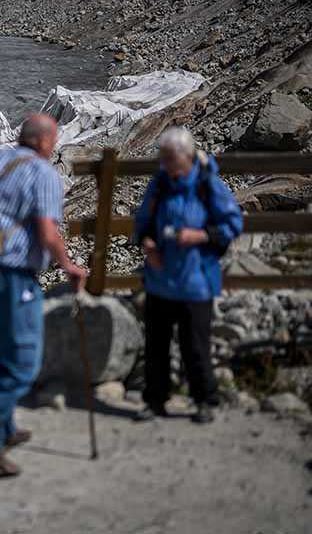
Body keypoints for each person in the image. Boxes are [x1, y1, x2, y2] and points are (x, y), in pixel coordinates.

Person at [0, 113, 87, 476]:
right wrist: (70, 267)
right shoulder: (43, 173)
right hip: (11, 276)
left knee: (1, 353)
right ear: (47, 141)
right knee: (24, 361)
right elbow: (47, 232)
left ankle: (4, 428)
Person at [133, 127, 242, 424]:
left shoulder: (209, 186)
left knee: (195, 345)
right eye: (162, 158)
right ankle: (155, 401)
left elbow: (233, 224)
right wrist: (147, 243)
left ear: (186, 156)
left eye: (169, 159)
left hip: (196, 281)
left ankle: (205, 399)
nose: (164, 164)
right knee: (156, 345)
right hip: (161, 279)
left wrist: (201, 235)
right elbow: (142, 222)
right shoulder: (159, 185)